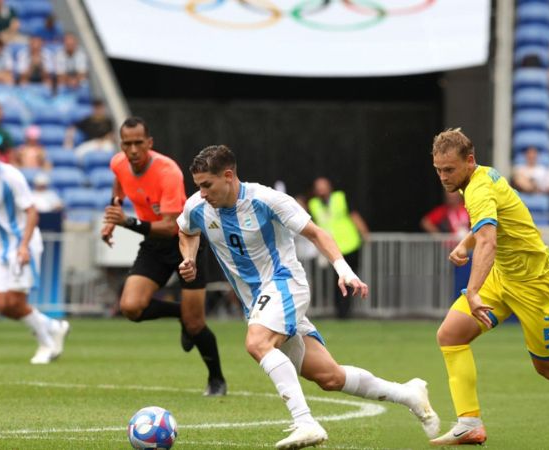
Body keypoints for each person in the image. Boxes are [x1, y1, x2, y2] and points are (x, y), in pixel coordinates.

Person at [177, 145, 440, 449]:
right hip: (258, 302)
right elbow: (186, 230)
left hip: (285, 284)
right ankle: (407, 393)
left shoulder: (267, 200)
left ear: (228, 175)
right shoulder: (197, 206)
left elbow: (316, 233)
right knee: (329, 377)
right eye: (198, 186)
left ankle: (305, 422)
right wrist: (190, 258)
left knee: (257, 343)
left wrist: (343, 269)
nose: (202, 193)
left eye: (207, 185)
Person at [429, 129, 549, 446]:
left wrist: (473, 291)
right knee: (450, 335)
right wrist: (465, 243)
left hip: (536, 285)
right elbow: (491, 226)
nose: (443, 176)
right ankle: (470, 422)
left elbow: (488, 241)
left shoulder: (477, 189)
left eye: (448, 169)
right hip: (504, 278)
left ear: (469, 161)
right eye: (438, 169)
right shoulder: (480, 177)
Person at [101, 117, 226, 396]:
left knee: (196, 323)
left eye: (138, 143)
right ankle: (180, 315)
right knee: (131, 307)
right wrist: (113, 214)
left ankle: (216, 378)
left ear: (149, 143)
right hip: (154, 242)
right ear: (121, 144)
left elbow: (172, 226)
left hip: (185, 241)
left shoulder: (168, 171)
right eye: (127, 144)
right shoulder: (118, 163)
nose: (132, 150)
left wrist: (127, 222)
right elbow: (119, 186)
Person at [0, 134, 70, 364]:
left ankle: (47, 345)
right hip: (2, 247)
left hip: (24, 243)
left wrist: (23, 247)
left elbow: (32, 211)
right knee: (3, 307)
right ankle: (54, 326)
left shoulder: (12, 177)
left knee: (15, 301)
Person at [308, 176, 369, 319]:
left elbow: (354, 215)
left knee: (351, 278)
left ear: (330, 187)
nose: (321, 190)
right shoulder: (313, 204)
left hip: (350, 244)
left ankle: (345, 311)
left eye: (323, 186)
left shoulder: (340, 198)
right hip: (331, 248)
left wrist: (364, 232)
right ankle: (340, 311)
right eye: (318, 187)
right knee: (337, 281)